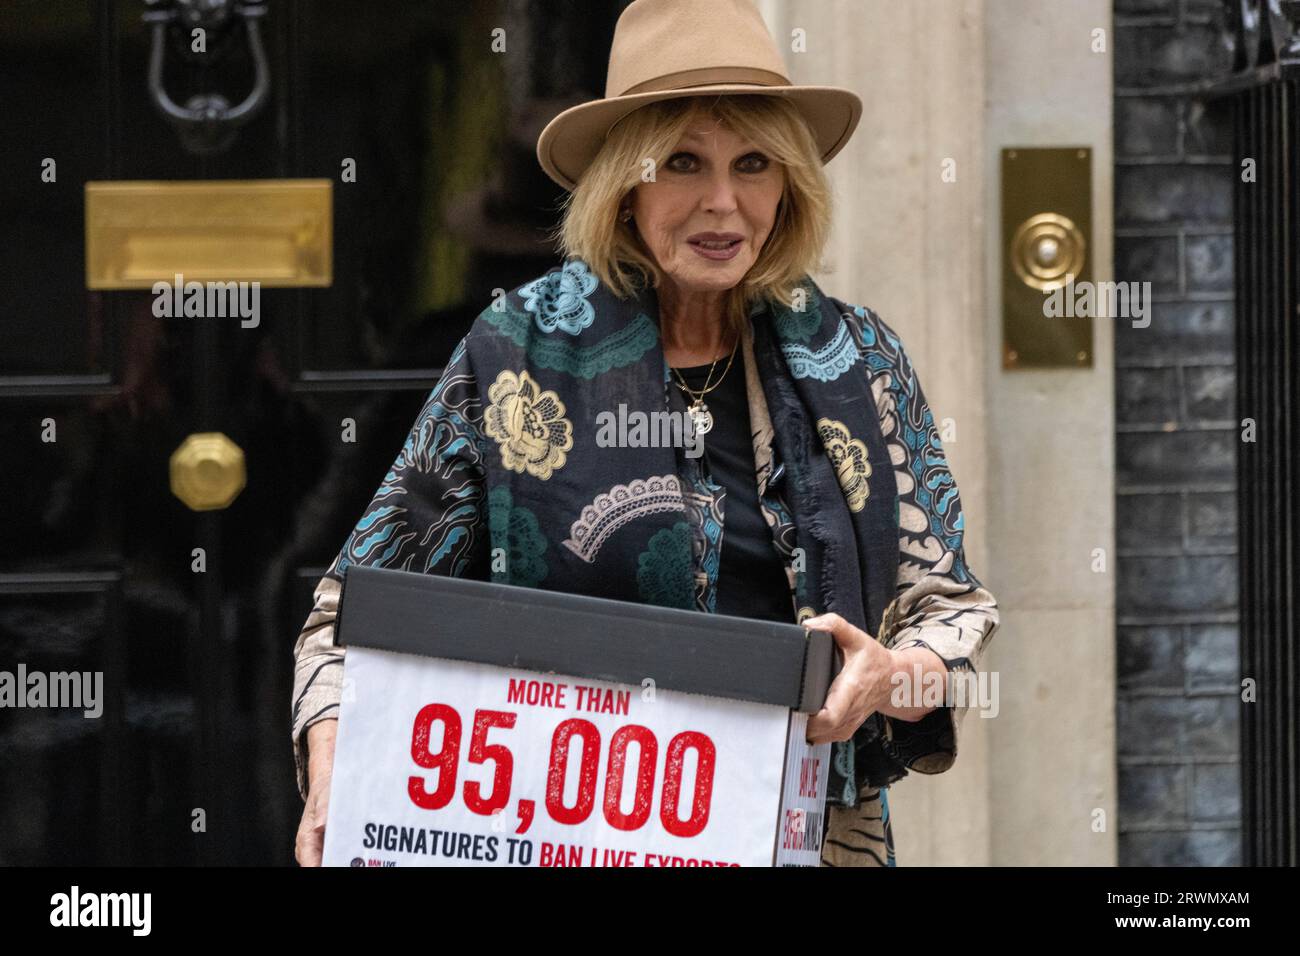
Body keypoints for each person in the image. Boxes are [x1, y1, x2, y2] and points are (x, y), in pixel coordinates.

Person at [293, 0, 998, 868]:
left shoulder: (861, 360)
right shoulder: (518, 352)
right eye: (683, 163)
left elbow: (948, 615)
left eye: (754, 164)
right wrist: (335, 773)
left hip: (803, 841)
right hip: (568, 839)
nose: (723, 203)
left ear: (790, 184)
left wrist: (893, 677)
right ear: (626, 185)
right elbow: (346, 614)